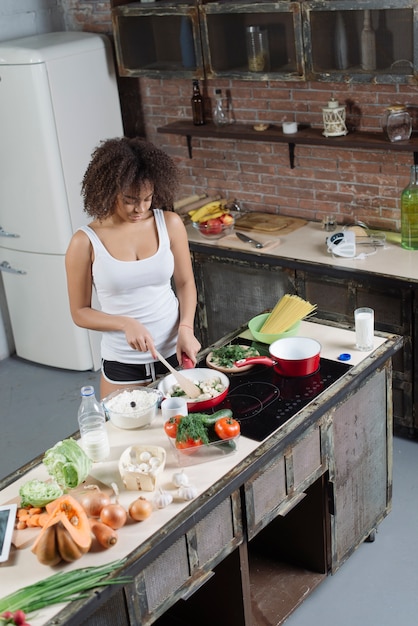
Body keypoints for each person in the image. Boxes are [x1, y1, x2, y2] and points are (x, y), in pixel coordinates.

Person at [65, 137, 201, 398]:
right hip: (123, 364)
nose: (140, 208)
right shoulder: (84, 242)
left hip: (175, 352)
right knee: (124, 436)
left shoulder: (169, 224)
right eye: (129, 200)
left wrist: (186, 328)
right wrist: (125, 323)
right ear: (108, 190)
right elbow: (79, 312)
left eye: (147, 199)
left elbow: (185, 283)